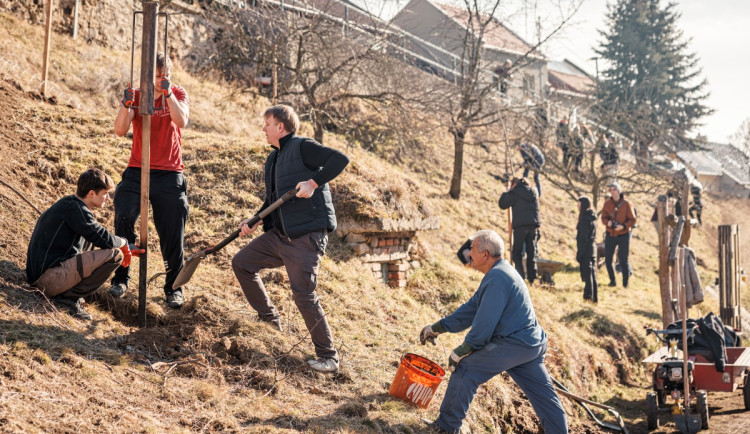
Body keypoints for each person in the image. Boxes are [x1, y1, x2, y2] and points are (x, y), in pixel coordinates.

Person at [231, 104, 349, 373]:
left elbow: (340, 159)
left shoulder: (302, 146)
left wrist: (313, 183)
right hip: (279, 236)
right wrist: (256, 219)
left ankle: (329, 357)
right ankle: (270, 320)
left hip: (306, 237)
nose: (264, 128)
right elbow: (272, 200)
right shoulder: (273, 159)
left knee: (304, 295)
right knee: (242, 263)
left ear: (280, 127)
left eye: (267, 124)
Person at [420, 230, 568, 434]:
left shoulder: (497, 278)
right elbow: (472, 308)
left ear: (485, 254)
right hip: (531, 344)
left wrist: (463, 350)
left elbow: (483, 325)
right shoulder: (500, 272)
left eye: (471, 250)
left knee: (466, 369)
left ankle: (446, 428)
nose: (468, 253)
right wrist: (437, 328)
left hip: (515, 343)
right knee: (545, 399)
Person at [111, 53, 190, 308]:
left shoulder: (177, 93)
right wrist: (126, 104)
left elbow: (182, 120)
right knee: (124, 214)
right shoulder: (136, 94)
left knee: (173, 229)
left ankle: (174, 287)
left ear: (170, 72)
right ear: (146, 74)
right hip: (137, 167)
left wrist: (167, 95)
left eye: (164, 74)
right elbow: (120, 130)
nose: (159, 79)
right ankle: (121, 278)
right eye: (155, 75)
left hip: (169, 172)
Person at [26, 168, 128, 320]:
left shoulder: (69, 205)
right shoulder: (76, 209)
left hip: (39, 277)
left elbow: (96, 237)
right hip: (47, 280)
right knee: (115, 255)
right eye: (105, 194)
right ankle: (68, 298)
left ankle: (66, 293)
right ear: (91, 193)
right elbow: (104, 239)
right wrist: (124, 243)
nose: (108, 198)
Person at [498, 177, 540, 284]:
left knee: (516, 253)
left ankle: (520, 276)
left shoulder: (515, 192)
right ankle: (532, 278)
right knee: (531, 253)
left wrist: (508, 191)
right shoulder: (534, 191)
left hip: (520, 227)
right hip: (533, 226)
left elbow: (502, 204)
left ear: (514, 185)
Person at [600, 182, 636, 288]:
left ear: (619, 190)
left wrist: (624, 226)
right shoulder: (607, 203)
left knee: (623, 259)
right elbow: (603, 217)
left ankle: (625, 284)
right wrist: (608, 223)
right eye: (610, 190)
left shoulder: (627, 204)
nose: (612, 192)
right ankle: (612, 281)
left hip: (623, 234)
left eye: (614, 189)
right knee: (608, 259)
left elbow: (633, 220)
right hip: (610, 234)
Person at [576, 196, 598, 303]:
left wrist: (580, 253)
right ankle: (593, 298)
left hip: (586, 250)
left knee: (588, 275)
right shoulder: (591, 217)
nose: (577, 207)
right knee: (592, 274)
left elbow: (583, 238)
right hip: (592, 249)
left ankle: (588, 297)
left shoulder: (585, 219)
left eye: (579, 204)